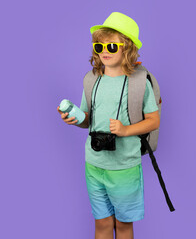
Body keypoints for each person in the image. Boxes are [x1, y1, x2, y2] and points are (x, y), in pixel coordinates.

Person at [57, 12, 160, 239]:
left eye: (111, 47)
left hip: (124, 167)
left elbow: (154, 120)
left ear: (127, 49)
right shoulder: (91, 79)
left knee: (123, 226)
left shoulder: (140, 82)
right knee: (102, 224)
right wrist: (75, 119)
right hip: (94, 165)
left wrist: (125, 130)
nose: (104, 51)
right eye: (99, 46)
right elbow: (87, 119)